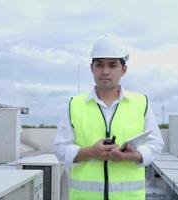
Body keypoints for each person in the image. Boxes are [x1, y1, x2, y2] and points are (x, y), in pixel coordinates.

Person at [54, 34, 164, 200]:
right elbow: (61, 149)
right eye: (99, 65)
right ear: (92, 68)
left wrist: (131, 156)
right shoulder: (74, 105)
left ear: (123, 69)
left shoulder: (140, 103)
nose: (105, 71)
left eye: (112, 65)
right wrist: (90, 152)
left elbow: (155, 144)